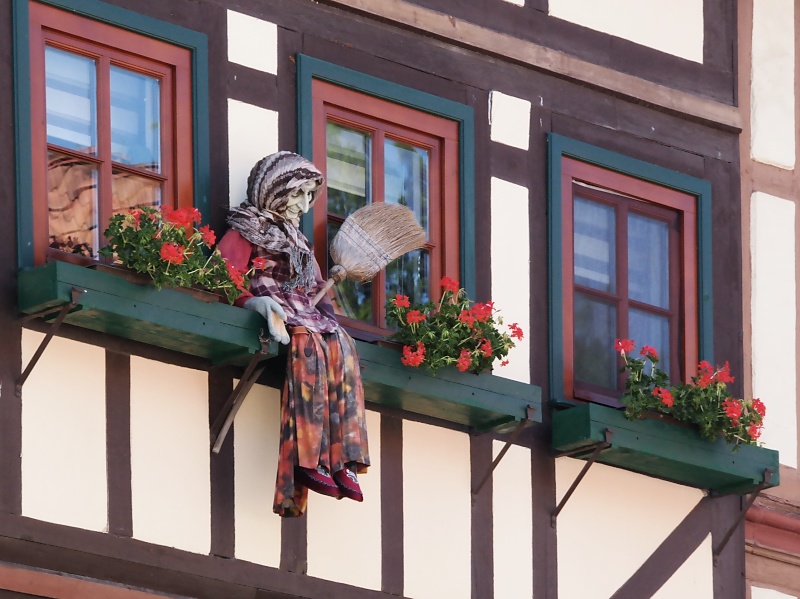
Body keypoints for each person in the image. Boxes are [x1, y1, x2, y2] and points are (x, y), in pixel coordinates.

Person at [218, 151, 370, 517]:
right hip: (276, 305)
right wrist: (250, 302)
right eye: (299, 194)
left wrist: (329, 314)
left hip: (305, 307)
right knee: (308, 348)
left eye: (309, 197)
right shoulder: (245, 228)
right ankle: (308, 457)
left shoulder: (299, 241)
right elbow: (224, 274)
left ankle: (343, 457)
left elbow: (317, 285)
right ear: (277, 190)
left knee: (342, 347)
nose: (304, 205)